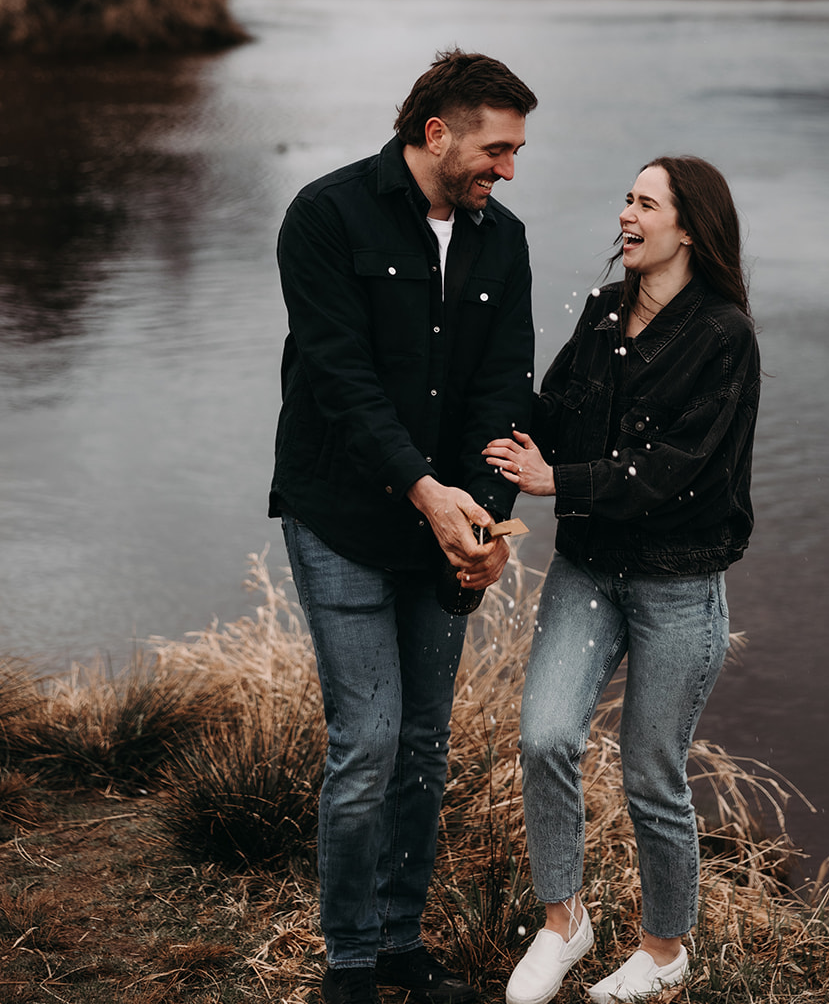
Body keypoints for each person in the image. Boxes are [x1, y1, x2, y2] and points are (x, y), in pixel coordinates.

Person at [271, 49, 538, 1004]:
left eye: (513, 153)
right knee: (369, 741)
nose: (506, 170)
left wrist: (484, 526)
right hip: (339, 516)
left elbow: (503, 391)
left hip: (445, 532)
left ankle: (397, 945)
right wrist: (426, 494)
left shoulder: (501, 241)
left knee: (426, 744)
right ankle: (347, 964)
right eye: (496, 149)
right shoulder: (325, 215)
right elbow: (340, 382)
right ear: (437, 134)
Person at [485, 155, 760, 1004]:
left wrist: (558, 481)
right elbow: (553, 412)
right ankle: (565, 923)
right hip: (589, 568)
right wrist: (483, 420)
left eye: (645, 204)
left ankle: (664, 950)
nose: (625, 215)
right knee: (544, 738)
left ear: (689, 227)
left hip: (678, 582)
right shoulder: (605, 311)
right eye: (626, 200)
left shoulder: (724, 336)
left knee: (651, 772)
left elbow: (677, 468)